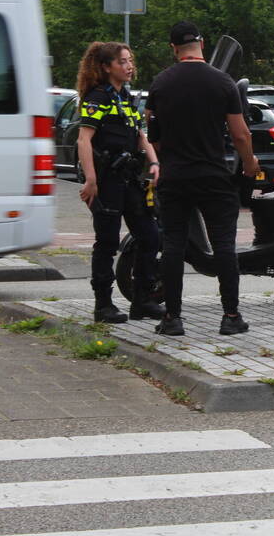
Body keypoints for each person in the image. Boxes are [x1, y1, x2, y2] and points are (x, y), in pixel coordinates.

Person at [146, 21, 259, 336]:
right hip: (213, 176)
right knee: (224, 245)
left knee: (173, 245)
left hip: (174, 176)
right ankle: (231, 316)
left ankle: (172, 319)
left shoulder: (160, 84)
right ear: (202, 43)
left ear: (173, 48)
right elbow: (240, 134)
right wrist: (249, 164)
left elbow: (152, 138)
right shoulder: (223, 83)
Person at [76, 41, 164, 324]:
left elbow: (140, 134)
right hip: (106, 181)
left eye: (130, 60)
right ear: (106, 67)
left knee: (150, 236)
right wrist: (91, 180)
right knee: (107, 242)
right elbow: (84, 140)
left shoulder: (124, 97)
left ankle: (143, 300)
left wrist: (153, 162)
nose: (129, 66)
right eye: (123, 61)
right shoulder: (97, 97)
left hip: (129, 179)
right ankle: (103, 305)